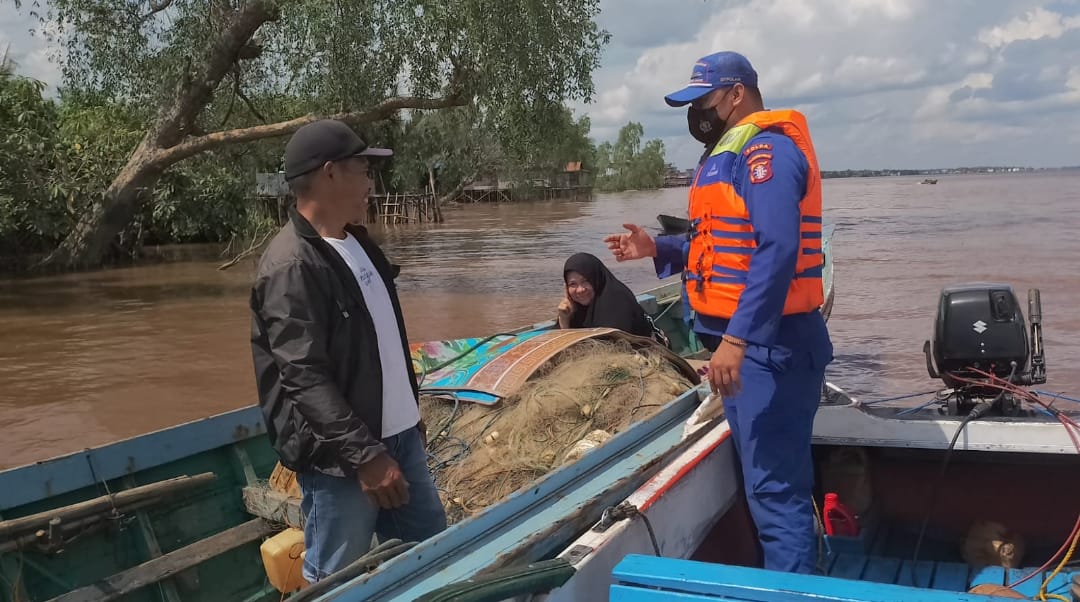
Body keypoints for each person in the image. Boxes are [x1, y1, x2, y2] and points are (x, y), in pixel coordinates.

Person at [603, 51, 833, 574]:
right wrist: (657, 248)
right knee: (762, 483)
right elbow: (720, 247)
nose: (697, 113)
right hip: (748, 351)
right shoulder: (725, 155)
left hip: (770, 349)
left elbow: (777, 250)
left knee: (775, 492)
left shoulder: (767, 153)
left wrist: (737, 341)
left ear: (736, 94)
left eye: (704, 101)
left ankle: (790, 588)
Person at [249, 119, 446, 584]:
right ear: (330, 173)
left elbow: (381, 343)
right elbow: (304, 376)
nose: (371, 182)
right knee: (339, 579)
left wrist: (408, 421)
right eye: (363, 168)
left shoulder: (356, 242)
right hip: (345, 459)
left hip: (399, 440)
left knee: (431, 556)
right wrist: (366, 457)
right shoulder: (291, 265)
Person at [556, 252, 657, 340]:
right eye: (573, 284)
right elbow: (561, 345)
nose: (580, 290)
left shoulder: (618, 300)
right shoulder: (574, 307)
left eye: (586, 281)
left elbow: (616, 349)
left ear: (596, 279)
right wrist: (564, 319)